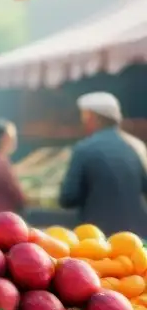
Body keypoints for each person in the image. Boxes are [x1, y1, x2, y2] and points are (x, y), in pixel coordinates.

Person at [60, 92, 147, 236]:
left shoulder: (84, 148)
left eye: (84, 116)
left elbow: (68, 197)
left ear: (92, 118)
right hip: (137, 239)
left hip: (100, 240)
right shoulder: (137, 146)